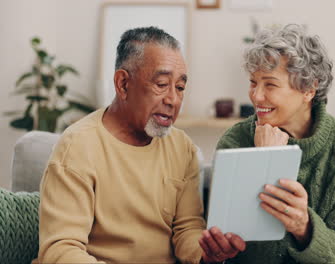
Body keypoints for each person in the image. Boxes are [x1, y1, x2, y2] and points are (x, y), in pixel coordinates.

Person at [37, 26, 244, 264]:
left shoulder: (182, 148)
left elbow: (187, 229)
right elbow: (60, 250)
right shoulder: (78, 146)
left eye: (179, 88)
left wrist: (206, 253)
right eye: (161, 84)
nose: (173, 100)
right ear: (123, 84)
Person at [199, 24, 335, 263]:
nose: (256, 96)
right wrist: (263, 162)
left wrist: (304, 228)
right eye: (253, 82)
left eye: (270, 84)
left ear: (308, 89)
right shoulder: (236, 141)